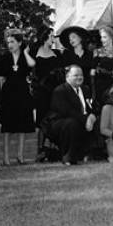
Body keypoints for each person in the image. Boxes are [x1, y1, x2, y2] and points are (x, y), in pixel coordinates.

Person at [44, 65, 97, 165]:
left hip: (81, 119)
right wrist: (86, 119)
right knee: (72, 124)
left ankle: (93, 154)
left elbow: (92, 106)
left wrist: (92, 116)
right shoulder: (60, 90)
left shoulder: (86, 89)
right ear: (67, 77)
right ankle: (68, 156)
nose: (79, 77)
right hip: (59, 123)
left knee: (98, 121)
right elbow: (66, 111)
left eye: (81, 75)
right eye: (76, 75)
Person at [0, 29, 36, 165]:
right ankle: (6, 158)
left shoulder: (25, 57)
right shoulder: (4, 58)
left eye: (13, 42)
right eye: (8, 42)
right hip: (8, 94)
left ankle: (20, 156)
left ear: (19, 43)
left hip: (23, 93)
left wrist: (25, 53)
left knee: (22, 126)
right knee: (7, 127)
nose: (10, 45)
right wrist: (1, 96)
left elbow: (32, 64)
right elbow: (1, 78)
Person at [33, 27, 64, 160]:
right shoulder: (35, 52)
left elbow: (62, 71)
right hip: (42, 92)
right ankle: (40, 150)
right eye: (51, 36)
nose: (53, 39)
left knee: (55, 119)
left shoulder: (57, 53)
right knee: (42, 121)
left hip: (55, 91)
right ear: (45, 37)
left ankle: (52, 150)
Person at [91, 25, 113, 106]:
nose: (102, 39)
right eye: (101, 37)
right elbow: (92, 73)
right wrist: (93, 94)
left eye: (104, 37)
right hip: (101, 87)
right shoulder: (97, 52)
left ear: (111, 38)